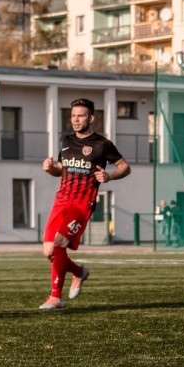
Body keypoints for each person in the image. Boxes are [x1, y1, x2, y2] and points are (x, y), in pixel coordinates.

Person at [39, 98, 130, 309]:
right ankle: (79, 273)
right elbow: (62, 169)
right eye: (73, 116)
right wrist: (49, 168)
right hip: (61, 201)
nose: (76, 120)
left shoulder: (102, 144)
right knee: (48, 251)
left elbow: (125, 167)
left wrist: (110, 176)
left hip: (81, 204)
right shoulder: (67, 141)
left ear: (91, 118)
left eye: (80, 116)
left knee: (60, 243)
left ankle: (55, 298)